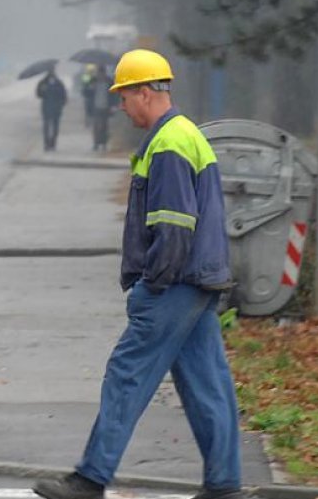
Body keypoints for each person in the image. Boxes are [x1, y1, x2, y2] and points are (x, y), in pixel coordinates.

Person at [33, 49, 242, 499]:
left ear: (145, 93)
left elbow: (173, 224)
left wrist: (153, 284)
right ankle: (224, 485)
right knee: (208, 386)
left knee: (126, 374)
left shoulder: (167, 145)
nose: (120, 106)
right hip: (199, 282)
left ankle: (90, 478)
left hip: (174, 285)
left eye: (124, 97)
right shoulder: (187, 134)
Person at [36, 69, 67, 151]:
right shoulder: (43, 83)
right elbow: (39, 94)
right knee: (46, 127)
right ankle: (47, 144)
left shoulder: (59, 83)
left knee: (55, 127)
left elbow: (63, 95)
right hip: (46, 108)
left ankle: (53, 144)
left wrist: (60, 104)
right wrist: (42, 90)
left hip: (56, 109)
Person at [90, 65, 117, 152]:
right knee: (96, 126)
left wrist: (113, 106)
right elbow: (86, 93)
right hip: (95, 107)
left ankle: (104, 143)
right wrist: (91, 88)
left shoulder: (109, 82)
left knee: (104, 127)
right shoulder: (93, 81)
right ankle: (96, 143)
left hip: (106, 107)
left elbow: (114, 95)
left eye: (102, 73)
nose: (100, 75)